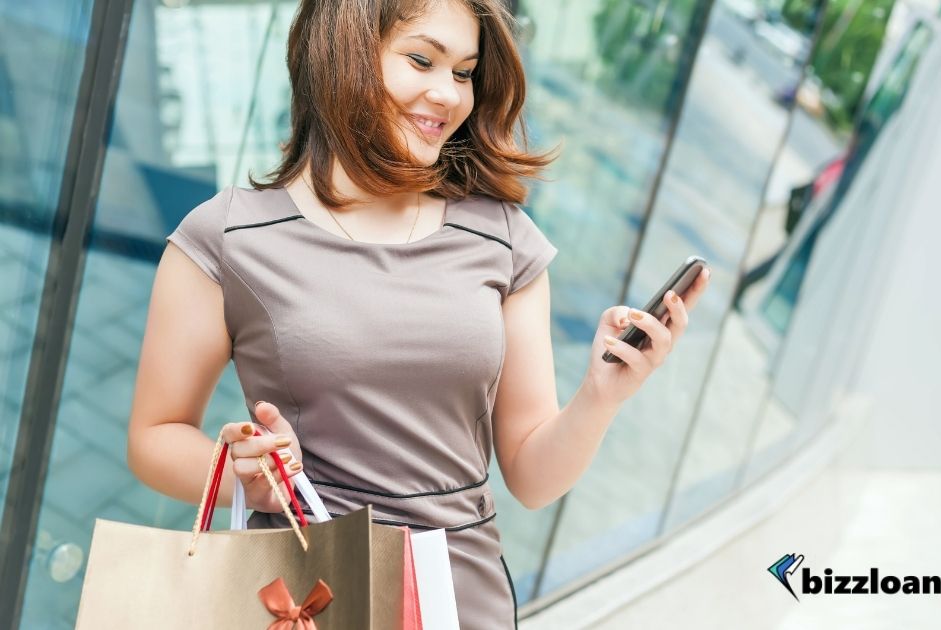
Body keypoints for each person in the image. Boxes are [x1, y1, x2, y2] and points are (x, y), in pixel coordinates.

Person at [127, 1, 711, 628]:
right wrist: (247, 477)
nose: (448, 95)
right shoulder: (229, 236)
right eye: (422, 60)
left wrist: (601, 394)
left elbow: (533, 478)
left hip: (461, 603)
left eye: (463, 72)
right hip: (307, 598)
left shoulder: (504, 239)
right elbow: (153, 436)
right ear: (341, 50)